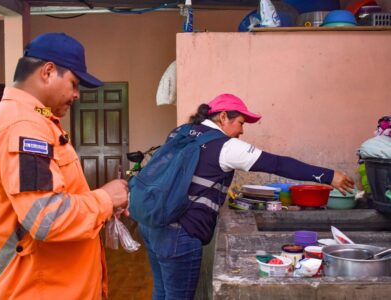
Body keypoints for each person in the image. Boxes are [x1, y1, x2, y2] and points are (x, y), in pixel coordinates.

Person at [138, 93, 354, 300]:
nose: (242, 131)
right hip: (179, 234)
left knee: (162, 292)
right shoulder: (224, 146)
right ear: (223, 117)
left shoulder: (181, 132)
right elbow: (278, 164)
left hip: (152, 223)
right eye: (240, 122)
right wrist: (328, 176)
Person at [0, 32, 129, 299]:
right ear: (48, 71)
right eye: (73, 83)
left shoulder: (36, 121)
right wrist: (105, 198)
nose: (77, 95)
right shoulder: (23, 127)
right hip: (42, 289)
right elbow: (48, 217)